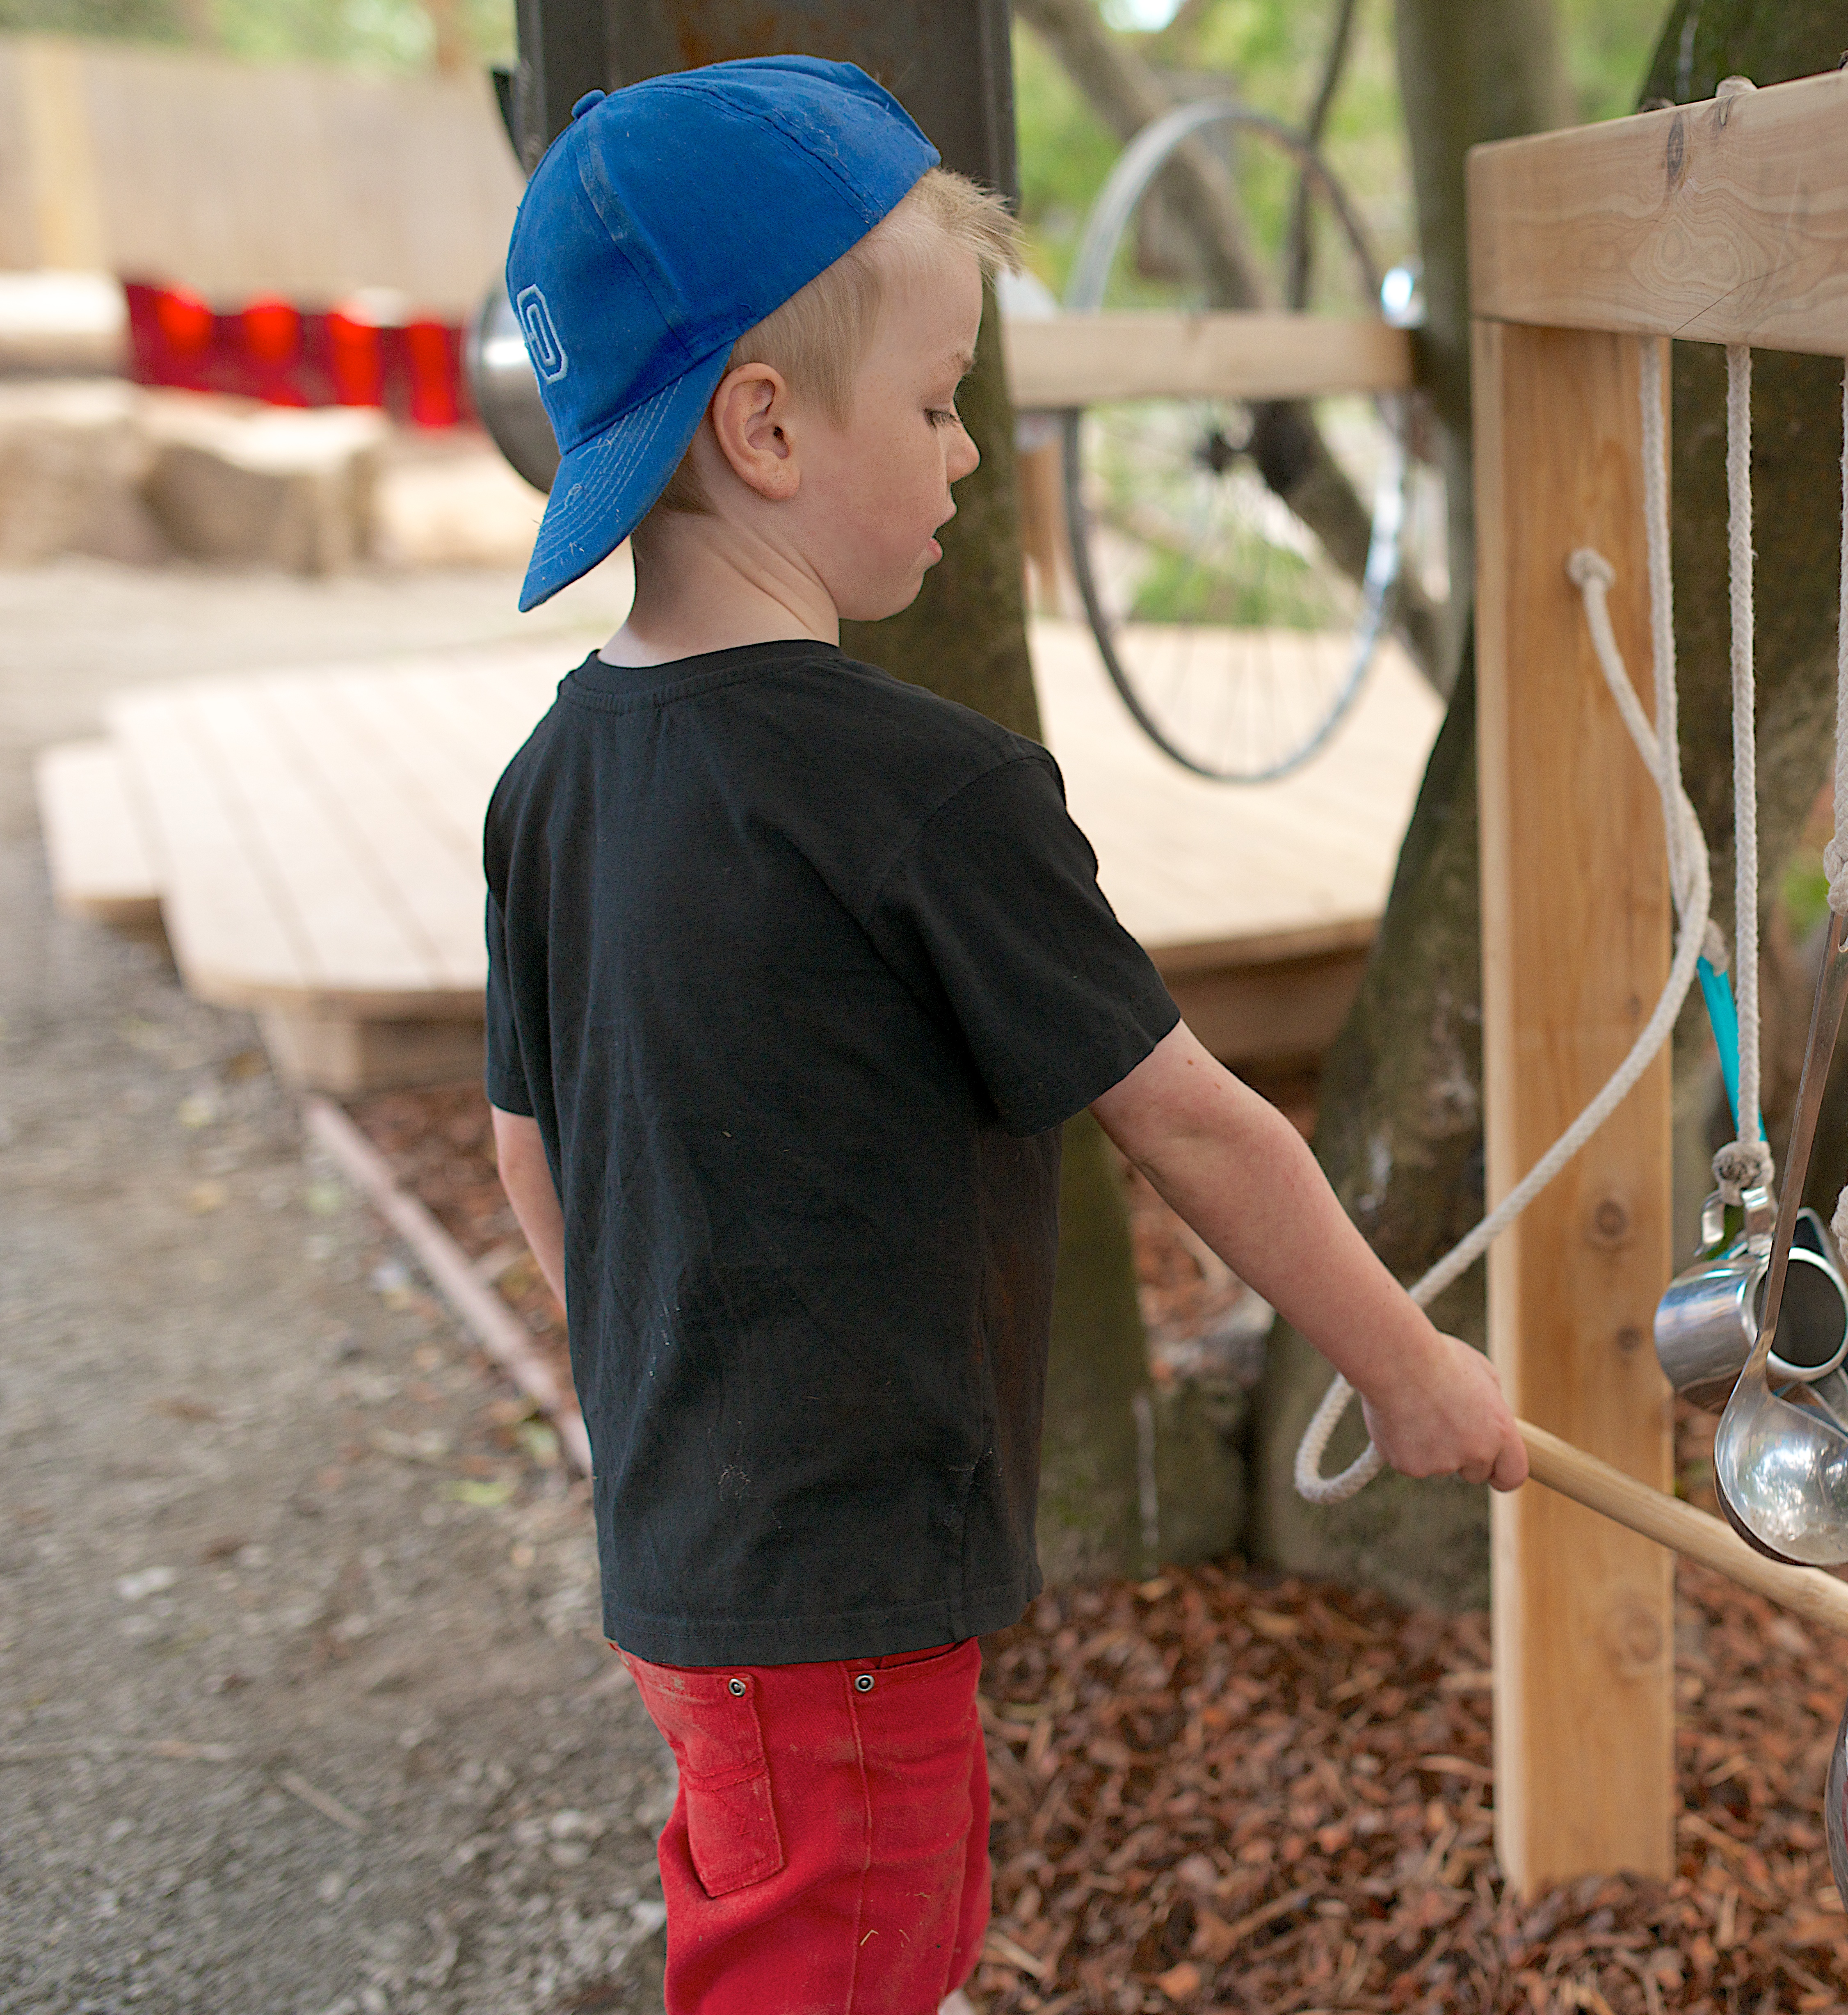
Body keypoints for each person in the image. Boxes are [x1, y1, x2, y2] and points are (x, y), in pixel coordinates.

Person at [480, 57, 1526, 2015]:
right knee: (850, 1955)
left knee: (807, 1910)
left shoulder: (546, 783)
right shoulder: (929, 793)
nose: (972, 456)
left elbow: (530, 1151)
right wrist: (1407, 1371)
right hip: (840, 1593)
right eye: (946, 403)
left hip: (692, 1555)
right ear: (767, 428)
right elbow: (1196, 1126)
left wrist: (648, 1412)